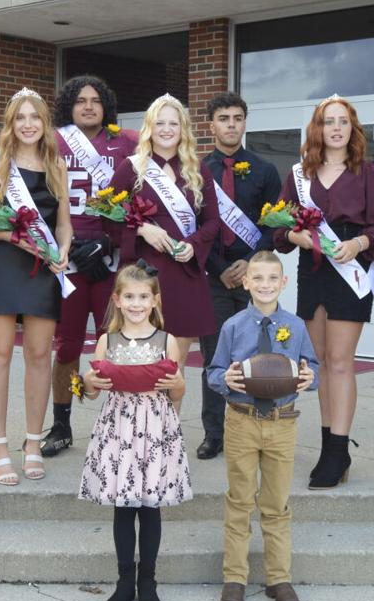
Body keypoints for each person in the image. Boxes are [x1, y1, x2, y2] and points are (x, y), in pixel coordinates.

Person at [272, 96, 374, 489]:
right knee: (321, 362)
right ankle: (329, 447)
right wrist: (296, 237)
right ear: (318, 129)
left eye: (343, 121)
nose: (336, 128)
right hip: (314, 268)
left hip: (349, 268)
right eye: (328, 122)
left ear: (352, 128)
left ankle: (338, 448)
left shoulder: (368, 173)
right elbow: (278, 230)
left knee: (340, 360)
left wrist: (358, 245)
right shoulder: (299, 175)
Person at [0, 88, 73, 486]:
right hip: (1, 265)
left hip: (43, 267)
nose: (28, 124)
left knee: (38, 354)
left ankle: (32, 442)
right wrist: (17, 240)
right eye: (20, 118)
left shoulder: (56, 165)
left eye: (35, 117)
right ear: (10, 123)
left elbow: (63, 222)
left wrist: (62, 248)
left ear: (45, 123)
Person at [206, 251, 319, 601]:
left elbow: (311, 366)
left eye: (273, 279)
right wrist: (225, 379)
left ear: (283, 283)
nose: (265, 285)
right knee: (239, 501)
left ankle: (278, 577)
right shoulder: (233, 326)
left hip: (282, 422)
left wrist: (309, 377)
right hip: (241, 419)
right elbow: (213, 371)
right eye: (258, 279)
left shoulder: (297, 326)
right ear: (246, 282)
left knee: (275, 503)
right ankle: (235, 577)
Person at [78, 261, 190, 601]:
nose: (137, 303)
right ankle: (125, 579)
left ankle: (148, 580)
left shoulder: (167, 340)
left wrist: (178, 384)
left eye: (144, 296)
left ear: (155, 300)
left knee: (149, 505)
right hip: (121, 426)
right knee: (123, 507)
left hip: (155, 427)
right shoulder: (107, 341)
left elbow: (176, 393)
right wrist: (88, 381)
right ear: (118, 300)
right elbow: (93, 391)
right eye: (130, 297)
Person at [44, 75, 137, 458]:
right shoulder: (53, 140)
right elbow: (39, 196)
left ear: (106, 106)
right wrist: (67, 243)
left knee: (117, 341)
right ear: (70, 104)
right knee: (67, 345)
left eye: (95, 100)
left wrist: (110, 241)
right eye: (80, 100)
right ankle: (62, 424)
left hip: (111, 258)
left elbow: (142, 198)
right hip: (68, 255)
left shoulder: (127, 142)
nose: (87, 106)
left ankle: (123, 422)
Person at [107, 93, 221, 370]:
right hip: (144, 275)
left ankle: (171, 416)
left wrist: (193, 245)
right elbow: (107, 217)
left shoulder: (198, 170)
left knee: (174, 364)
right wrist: (142, 230)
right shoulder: (130, 168)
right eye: (160, 123)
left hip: (184, 274)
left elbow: (212, 222)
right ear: (149, 127)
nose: (167, 129)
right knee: (141, 359)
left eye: (174, 123)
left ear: (183, 128)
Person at [196, 92, 281, 461]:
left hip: (256, 279)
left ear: (245, 122)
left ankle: (257, 430)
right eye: (224, 118)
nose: (231, 124)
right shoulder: (196, 171)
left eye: (237, 118)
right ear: (211, 125)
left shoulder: (265, 170)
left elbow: (273, 224)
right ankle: (214, 433)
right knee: (215, 358)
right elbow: (195, 225)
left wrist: (248, 264)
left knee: (260, 355)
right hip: (213, 277)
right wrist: (220, 268)